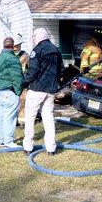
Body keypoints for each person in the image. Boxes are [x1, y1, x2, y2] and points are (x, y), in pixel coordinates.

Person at [22, 28, 64, 156]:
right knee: (48, 118)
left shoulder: (37, 50)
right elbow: (61, 70)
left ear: (37, 37)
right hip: (50, 90)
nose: (32, 40)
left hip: (36, 89)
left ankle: (28, 147)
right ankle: (51, 148)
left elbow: (33, 71)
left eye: (33, 37)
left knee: (29, 118)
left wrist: (23, 82)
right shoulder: (56, 50)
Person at [0, 37, 24, 148]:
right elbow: (17, 77)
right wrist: (18, 91)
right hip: (10, 91)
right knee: (9, 117)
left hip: (1, 91)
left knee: (0, 116)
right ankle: (8, 141)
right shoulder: (12, 59)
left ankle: (1, 140)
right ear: (13, 46)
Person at [13, 33, 30, 125]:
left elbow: (29, 68)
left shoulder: (25, 55)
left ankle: (21, 119)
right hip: (14, 82)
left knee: (22, 100)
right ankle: (17, 119)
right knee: (17, 101)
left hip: (21, 82)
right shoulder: (8, 54)